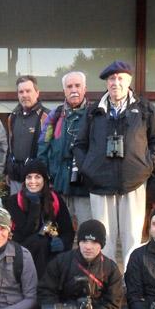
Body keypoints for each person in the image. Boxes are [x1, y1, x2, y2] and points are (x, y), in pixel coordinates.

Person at [72, 61, 155, 266]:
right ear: (107, 83)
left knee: (133, 238)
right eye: (112, 79)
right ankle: (107, 280)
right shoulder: (94, 110)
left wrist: (149, 165)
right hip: (99, 184)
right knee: (104, 239)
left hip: (134, 182)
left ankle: (132, 280)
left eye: (120, 78)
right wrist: (87, 168)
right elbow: (79, 144)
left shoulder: (144, 108)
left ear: (129, 81)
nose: (116, 83)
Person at [4, 159, 74, 279]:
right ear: (24, 180)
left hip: (49, 247)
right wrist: (35, 205)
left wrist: (63, 242)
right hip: (22, 249)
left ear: (44, 180)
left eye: (37, 177)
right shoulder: (14, 201)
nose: (33, 181)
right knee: (40, 242)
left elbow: (68, 230)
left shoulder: (55, 199)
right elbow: (25, 231)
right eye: (29, 177)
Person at [38, 71, 92, 227]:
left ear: (85, 89)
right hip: (59, 184)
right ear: (64, 91)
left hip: (85, 187)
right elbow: (43, 146)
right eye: (69, 86)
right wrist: (47, 176)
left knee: (87, 231)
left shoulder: (94, 114)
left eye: (77, 85)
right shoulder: (54, 116)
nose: (73, 90)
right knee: (59, 231)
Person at [6, 75, 50, 195]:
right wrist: (7, 171)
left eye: (28, 91)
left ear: (37, 93)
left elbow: (51, 150)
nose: (24, 95)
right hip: (15, 177)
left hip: (36, 180)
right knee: (16, 206)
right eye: (21, 92)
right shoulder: (12, 117)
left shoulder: (47, 117)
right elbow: (10, 147)